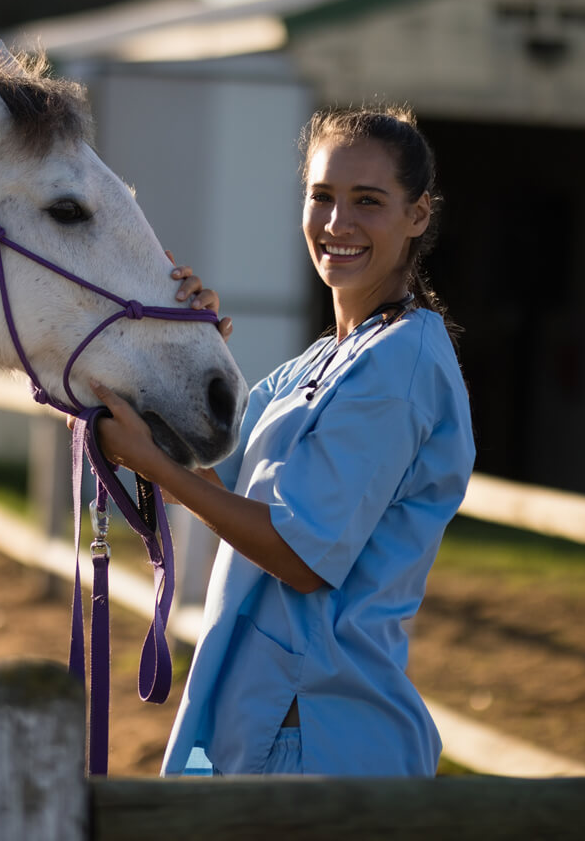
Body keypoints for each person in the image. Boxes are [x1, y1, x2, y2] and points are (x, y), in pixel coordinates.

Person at [86, 106, 475, 777]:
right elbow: (211, 476)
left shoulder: (396, 364)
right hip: (263, 711)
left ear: (417, 215)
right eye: (321, 196)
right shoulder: (327, 357)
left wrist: (149, 461)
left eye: (367, 201)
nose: (336, 223)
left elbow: (300, 554)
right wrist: (182, 344)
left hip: (320, 729)